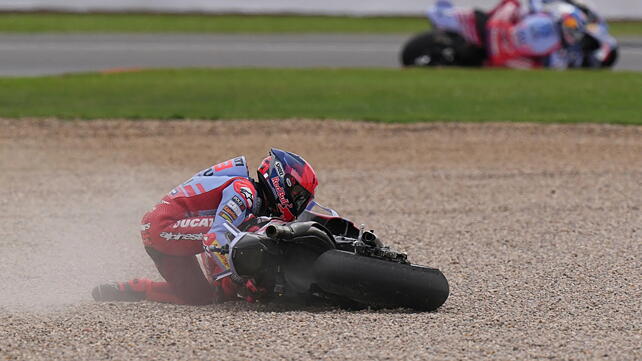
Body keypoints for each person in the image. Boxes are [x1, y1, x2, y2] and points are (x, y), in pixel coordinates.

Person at [92, 148, 318, 305]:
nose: (298, 203)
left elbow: (215, 236)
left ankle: (138, 288)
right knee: (246, 230)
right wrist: (243, 279)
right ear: (280, 182)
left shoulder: (251, 196)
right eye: (298, 194)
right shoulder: (244, 190)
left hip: (159, 236)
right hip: (164, 226)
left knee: (202, 297)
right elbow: (215, 237)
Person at [485, 0, 588, 68]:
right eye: (571, 24)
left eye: (575, 32)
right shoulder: (548, 15)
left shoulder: (557, 50)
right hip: (500, 36)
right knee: (513, 4)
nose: (571, 30)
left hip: (502, 49)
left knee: (537, 66)